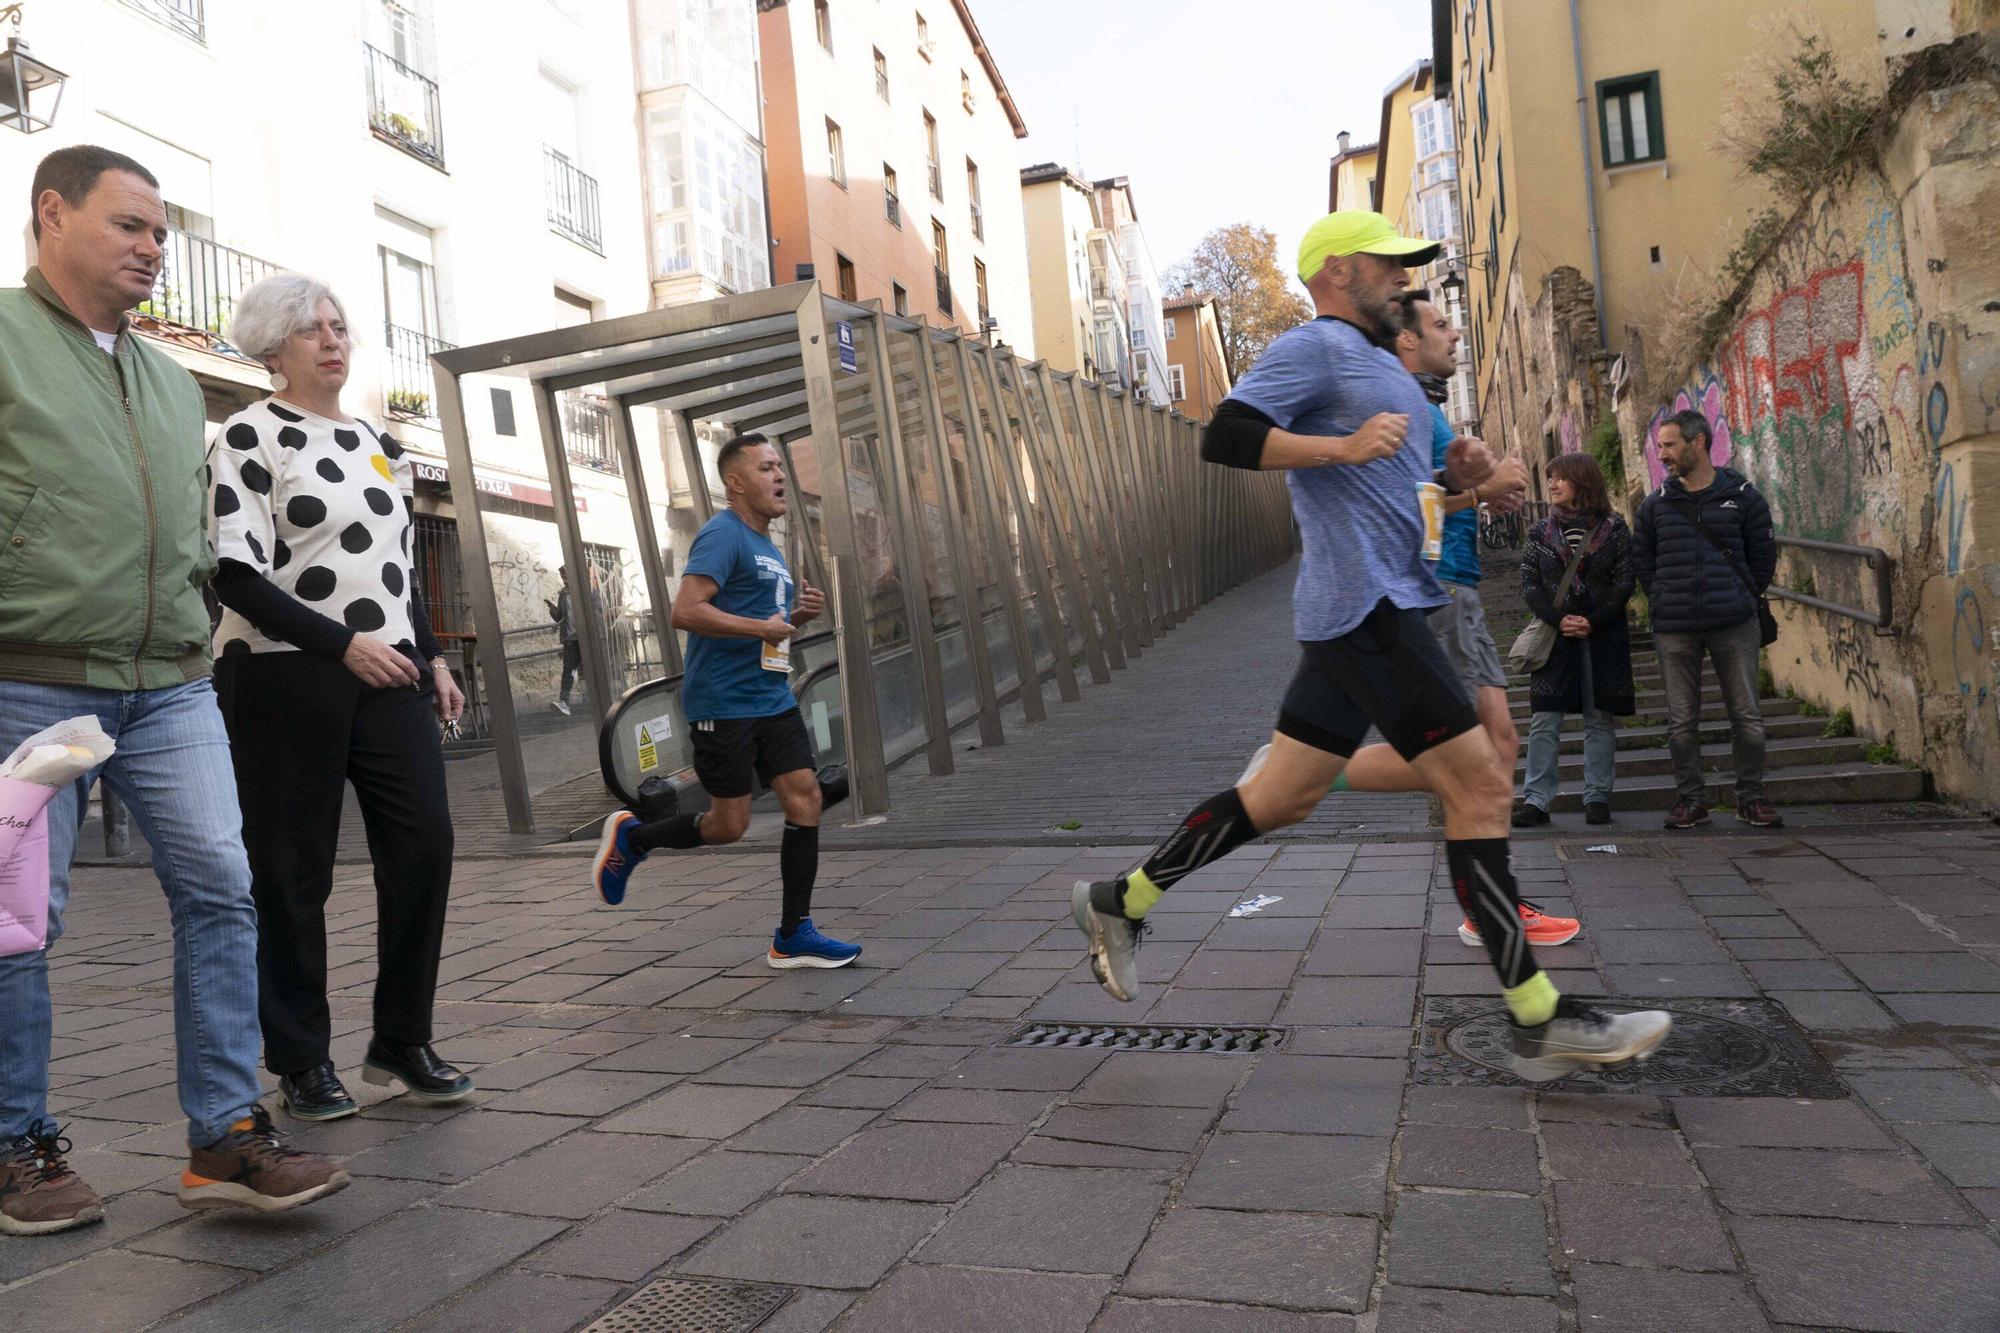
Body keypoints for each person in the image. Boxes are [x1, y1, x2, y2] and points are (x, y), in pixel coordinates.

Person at [1068, 210, 1669, 1080]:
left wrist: (1450, 479)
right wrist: (1338, 446)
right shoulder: (1315, 347)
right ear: (1341, 270)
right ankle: (1539, 1018)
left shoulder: (1384, 370)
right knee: (1482, 780)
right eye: (1392, 265)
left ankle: (1118, 899)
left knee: (1280, 797)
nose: (1407, 280)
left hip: (1370, 607)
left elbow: (1400, 490)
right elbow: (1226, 433)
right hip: (1368, 610)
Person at [0, 146, 347, 1235]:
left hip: (171, 683)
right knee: (19, 923)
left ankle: (225, 1134)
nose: (154, 247)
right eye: (131, 225)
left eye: (162, 232)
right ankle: (16, 1145)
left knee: (221, 888)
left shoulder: (164, 376)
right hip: (28, 677)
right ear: (51, 213)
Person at [208, 272, 472, 1122]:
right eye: (311, 327)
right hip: (282, 674)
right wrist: (341, 644)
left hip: (387, 671)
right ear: (273, 347)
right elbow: (233, 571)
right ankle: (300, 1059)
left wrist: (428, 654)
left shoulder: (374, 441)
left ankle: (400, 1038)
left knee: (425, 844)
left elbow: (395, 567)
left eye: (339, 323)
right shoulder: (248, 434)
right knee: (291, 872)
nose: (333, 338)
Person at [1323, 289, 1579, 952]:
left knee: (1499, 749)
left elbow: (1436, 487)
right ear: (1406, 339)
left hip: (1459, 587)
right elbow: (1409, 504)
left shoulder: (1420, 404)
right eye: (1439, 324)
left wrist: (1479, 479)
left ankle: (1489, 907)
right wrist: (1482, 491)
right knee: (1477, 758)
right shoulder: (1394, 401)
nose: (1455, 331)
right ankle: (1311, 769)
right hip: (1437, 590)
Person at [588, 434, 859, 968]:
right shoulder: (722, 535)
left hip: (771, 697)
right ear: (736, 482)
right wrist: (764, 624)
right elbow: (686, 611)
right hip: (725, 703)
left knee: (804, 800)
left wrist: (794, 619)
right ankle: (634, 838)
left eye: (781, 466)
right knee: (727, 825)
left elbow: (766, 632)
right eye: (766, 468)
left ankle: (793, 935)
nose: (780, 475)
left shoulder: (768, 546)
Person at [1633, 411, 1780, 829]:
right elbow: (1643, 559)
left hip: (1733, 621)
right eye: (1659, 446)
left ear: (1698, 444)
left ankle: (1751, 798)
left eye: (1669, 445)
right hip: (1675, 627)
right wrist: (1662, 597)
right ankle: (1691, 800)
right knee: (1681, 721)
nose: (1662, 455)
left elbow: (1763, 556)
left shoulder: (1744, 497)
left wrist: (1741, 595)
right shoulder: (1654, 506)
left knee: (1747, 716)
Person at [1514, 454, 1636, 828]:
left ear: (1582, 482)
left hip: (1603, 636)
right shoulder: (1539, 533)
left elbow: (1624, 584)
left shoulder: (1615, 529)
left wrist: (1592, 620)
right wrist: (1560, 618)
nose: (1551, 484)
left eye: (1559, 478)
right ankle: (1536, 800)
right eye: (1549, 477)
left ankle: (1597, 796)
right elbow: (1530, 586)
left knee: (1599, 718)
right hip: (1556, 638)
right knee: (1544, 719)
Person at [547, 573, 580, 716]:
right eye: (562, 577)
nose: (564, 580)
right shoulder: (563, 595)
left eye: (566, 576)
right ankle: (564, 703)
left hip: (586, 640)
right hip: (570, 640)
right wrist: (552, 608)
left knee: (593, 670)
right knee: (568, 671)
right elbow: (560, 617)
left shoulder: (585, 591)